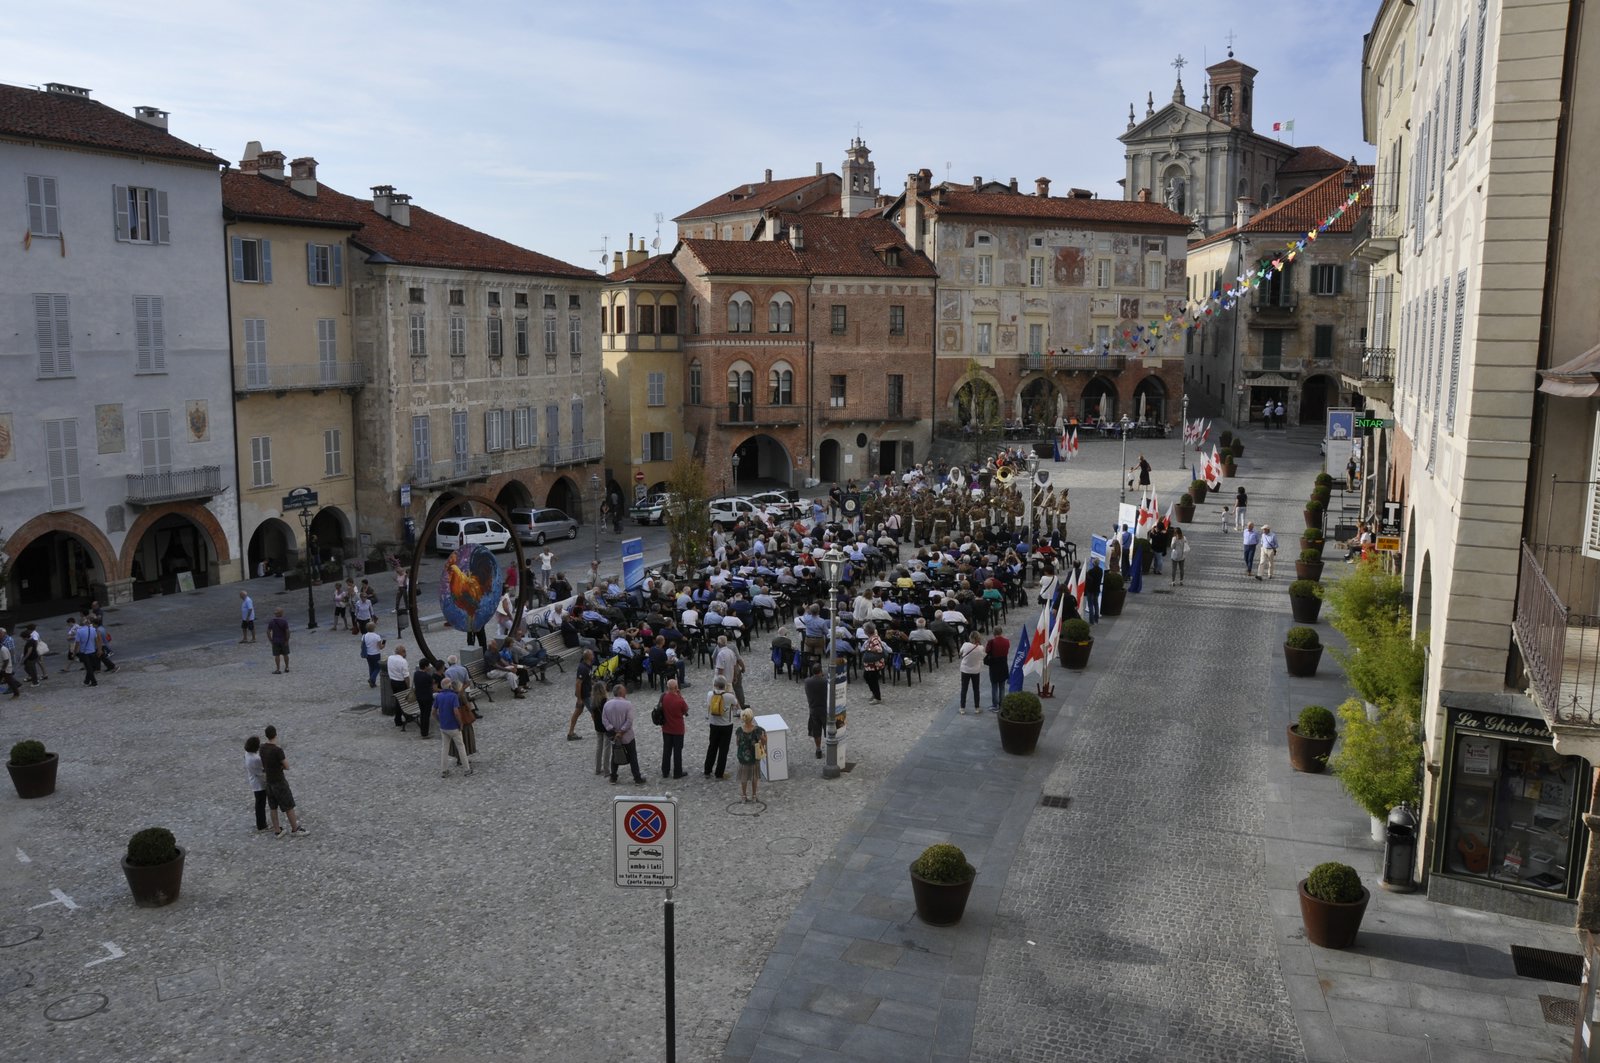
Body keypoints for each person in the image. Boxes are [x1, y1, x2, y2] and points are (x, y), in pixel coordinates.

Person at [259, 725, 307, 835]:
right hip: (279, 781)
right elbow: (287, 766)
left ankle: (277, 830)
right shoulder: (277, 750)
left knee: (273, 807)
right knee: (289, 805)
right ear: (275, 734)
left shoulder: (262, 748)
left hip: (269, 782)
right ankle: (295, 829)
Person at [602, 683, 646, 784]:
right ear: (621, 692)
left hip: (614, 736)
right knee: (632, 756)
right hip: (627, 736)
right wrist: (621, 731)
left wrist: (613, 731)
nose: (626, 692)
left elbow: (604, 720)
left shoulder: (607, 704)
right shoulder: (628, 704)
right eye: (624, 690)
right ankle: (637, 778)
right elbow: (629, 721)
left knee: (615, 755)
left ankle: (613, 777)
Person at [434, 678, 472, 777]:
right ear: (450, 686)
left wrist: (439, 720)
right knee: (461, 747)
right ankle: (467, 769)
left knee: (444, 748)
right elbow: (456, 712)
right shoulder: (453, 696)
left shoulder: (438, 696)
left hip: (443, 726)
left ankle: (444, 770)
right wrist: (460, 723)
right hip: (453, 726)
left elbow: (433, 712)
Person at [703, 675, 737, 779]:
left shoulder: (710, 694)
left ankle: (707, 770)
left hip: (714, 725)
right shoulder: (729, 696)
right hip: (726, 725)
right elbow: (735, 704)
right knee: (723, 749)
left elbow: (709, 705)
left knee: (712, 747)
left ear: (715, 685)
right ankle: (719, 773)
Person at [735, 709, 767, 803]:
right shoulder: (758, 730)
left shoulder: (739, 730)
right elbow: (764, 741)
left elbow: (737, 743)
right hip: (754, 756)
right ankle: (754, 796)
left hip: (743, 757)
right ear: (752, 718)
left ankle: (744, 796)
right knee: (754, 777)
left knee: (743, 777)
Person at [659, 678, 689, 778]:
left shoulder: (664, 697)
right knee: (677, 752)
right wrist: (680, 695)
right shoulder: (679, 700)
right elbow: (685, 710)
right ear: (676, 688)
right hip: (678, 729)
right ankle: (677, 772)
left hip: (666, 728)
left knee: (666, 751)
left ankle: (665, 771)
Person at [567, 649, 595, 742]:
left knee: (578, 712)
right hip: (585, 695)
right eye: (592, 654)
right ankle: (600, 731)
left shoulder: (588, 665)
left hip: (586, 693)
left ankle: (570, 733)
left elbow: (588, 678)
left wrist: (594, 684)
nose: (593, 655)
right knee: (594, 712)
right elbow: (578, 683)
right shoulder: (583, 668)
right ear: (589, 657)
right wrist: (579, 699)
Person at [804, 663, 830, 760]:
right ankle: (831, 746)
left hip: (814, 709)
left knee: (816, 731)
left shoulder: (807, 682)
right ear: (821, 671)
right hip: (824, 709)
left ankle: (818, 749)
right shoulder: (825, 682)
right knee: (828, 728)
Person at [244, 735, 269, 833]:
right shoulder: (255, 759)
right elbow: (262, 772)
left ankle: (261, 824)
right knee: (260, 804)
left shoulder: (247, 754)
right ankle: (262, 825)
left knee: (259, 803)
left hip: (254, 781)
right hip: (259, 784)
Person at [984, 625, 1011, 712]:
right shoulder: (1007, 641)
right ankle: (1001, 704)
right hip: (1003, 665)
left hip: (994, 666)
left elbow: (987, 651)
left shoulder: (991, 642)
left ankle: (995, 705)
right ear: (1001, 632)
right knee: (1002, 686)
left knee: (994, 686)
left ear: (994, 633)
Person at [958, 629, 984, 714]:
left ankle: (962, 708)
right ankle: (977, 707)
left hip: (965, 669)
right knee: (976, 689)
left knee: (964, 689)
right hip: (975, 670)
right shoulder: (981, 648)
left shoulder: (965, 645)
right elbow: (983, 656)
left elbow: (960, 653)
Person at [860, 623, 887, 704]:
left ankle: (877, 697)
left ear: (866, 631)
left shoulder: (874, 639)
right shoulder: (873, 637)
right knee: (867, 677)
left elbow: (879, 650)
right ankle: (874, 693)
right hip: (871, 665)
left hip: (874, 664)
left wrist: (868, 648)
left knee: (873, 680)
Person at [411, 657, 437, 738]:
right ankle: (425, 733)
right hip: (427, 698)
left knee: (422, 714)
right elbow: (432, 686)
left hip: (419, 697)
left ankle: (423, 731)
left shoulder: (416, 674)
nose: (429, 667)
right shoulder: (427, 676)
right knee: (426, 715)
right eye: (428, 666)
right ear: (425, 667)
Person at [387, 645, 411, 726]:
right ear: (402, 652)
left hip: (393, 682)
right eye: (405, 651)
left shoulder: (390, 658)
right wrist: (408, 687)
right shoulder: (403, 661)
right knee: (402, 702)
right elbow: (406, 677)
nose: (406, 653)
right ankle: (398, 719)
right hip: (401, 683)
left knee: (398, 700)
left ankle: (405, 716)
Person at [74, 616, 101, 687]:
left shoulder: (79, 631)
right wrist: (99, 650)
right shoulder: (93, 629)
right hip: (92, 651)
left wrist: (75, 653)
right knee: (92, 667)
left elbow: (77, 644)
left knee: (89, 668)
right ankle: (87, 681)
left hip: (84, 652)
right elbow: (97, 641)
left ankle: (94, 682)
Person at [361, 623, 386, 688]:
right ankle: (371, 679)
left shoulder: (364, 636)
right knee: (378, 667)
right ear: (374, 628)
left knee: (371, 667)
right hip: (376, 654)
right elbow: (380, 647)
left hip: (368, 654)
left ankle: (372, 683)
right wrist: (384, 644)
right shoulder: (377, 636)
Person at [266, 607, 290, 674]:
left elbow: (268, 631)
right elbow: (287, 632)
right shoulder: (284, 621)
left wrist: (271, 640)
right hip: (283, 640)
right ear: (281, 614)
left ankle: (278, 669)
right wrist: (287, 640)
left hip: (275, 640)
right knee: (285, 654)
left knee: (277, 655)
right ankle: (287, 667)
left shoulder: (272, 621)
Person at [0, 632, 20, 699]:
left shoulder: (3, 650)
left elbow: (6, 660)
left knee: (10, 681)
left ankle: (16, 693)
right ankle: (17, 685)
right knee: (10, 680)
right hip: (3, 668)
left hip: (5, 668)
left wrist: (3, 669)